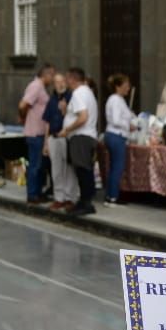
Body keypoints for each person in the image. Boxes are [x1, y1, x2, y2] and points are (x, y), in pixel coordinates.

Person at [62, 67, 100, 216]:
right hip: (88, 136)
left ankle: (86, 202)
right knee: (85, 169)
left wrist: (68, 129)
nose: (66, 82)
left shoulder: (78, 94)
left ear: (72, 79)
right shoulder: (88, 92)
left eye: (67, 78)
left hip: (80, 136)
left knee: (82, 169)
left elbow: (82, 117)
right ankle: (84, 200)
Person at [19, 64, 54, 204]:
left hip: (40, 132)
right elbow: (23, 105)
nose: (52, 79)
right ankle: (32, 194)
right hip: (35, 132)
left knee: (40, 166)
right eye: (52, 75)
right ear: (46, 74)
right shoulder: (36, 86)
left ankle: (38, 192)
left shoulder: (41, 87)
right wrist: (23, 117)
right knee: (35, 165)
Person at [45, 72, 76, 211]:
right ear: (54, 84)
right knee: (56, 169)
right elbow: (47, 121)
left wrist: (64, 110)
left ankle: (70, 197)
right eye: (57, 82)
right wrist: (46, 142)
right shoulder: (51, 99)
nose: (61, 84)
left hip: (67, 137)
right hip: (54, 136)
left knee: (69, 169)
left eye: (63, 80)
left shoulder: (72, 97)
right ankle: (59, 198)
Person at [101, 74, 134, 207]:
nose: (128, 88)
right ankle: (112, 196)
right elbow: (115, 120)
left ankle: (112, 194)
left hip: (116, 135)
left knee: (115, 166)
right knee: (117, 167)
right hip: (116, 135)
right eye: (126, 85)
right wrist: (128, 125)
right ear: (118, 86)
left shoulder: (120, 100)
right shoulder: (115, 100)